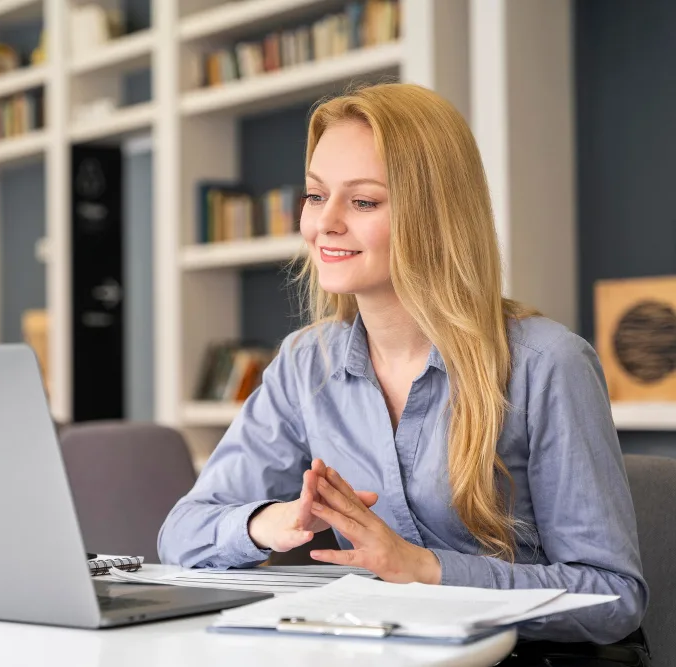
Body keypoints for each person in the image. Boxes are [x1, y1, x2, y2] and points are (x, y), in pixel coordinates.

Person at [157, 83, 648, 646]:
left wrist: (427, 570)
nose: (325, 223)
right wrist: (274, 522)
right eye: (316, 196)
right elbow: (182, 535)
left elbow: (612, 599)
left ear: (435, 217)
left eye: (363, 202)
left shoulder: (547, 364)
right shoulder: (305, 364)